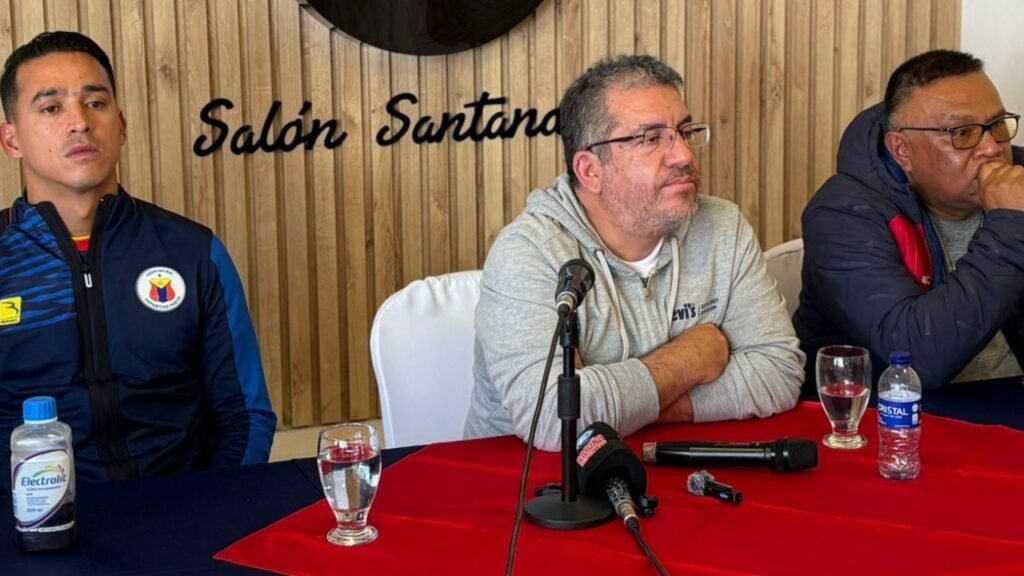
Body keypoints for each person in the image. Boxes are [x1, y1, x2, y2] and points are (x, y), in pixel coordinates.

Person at [464, 54, 804, 450]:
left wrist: (620, 405)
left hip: (675, 471)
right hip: (530, 489)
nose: (685, 156)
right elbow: (555, 420)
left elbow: (779, 372)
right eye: (651, 138)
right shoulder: (528, 252)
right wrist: (691, 359)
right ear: (590, 170)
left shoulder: (722, 227)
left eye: (684, 131)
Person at [0, 31, 276, 487]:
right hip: (26, 533)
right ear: (12, 140)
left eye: (96, 103)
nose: (80, 123)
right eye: (51, 108)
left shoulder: (192, 252)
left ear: (122, 126)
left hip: (179, 521)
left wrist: (213, 514)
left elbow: (243, 416)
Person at [794, 49, 1024, 395]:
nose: (992, 148)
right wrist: (1010, 226)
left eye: (997, 126)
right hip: (886, 423)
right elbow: (915, 360)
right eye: (963, 133)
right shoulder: (841, 215)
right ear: (902, 150)